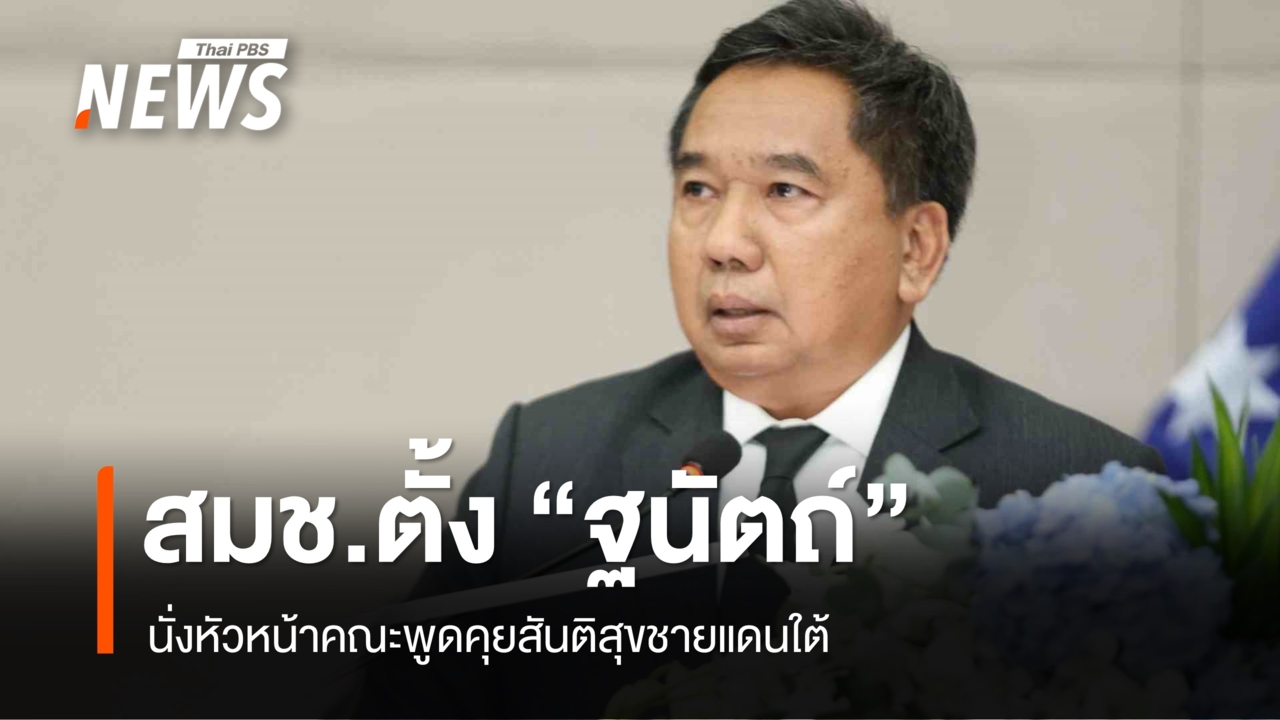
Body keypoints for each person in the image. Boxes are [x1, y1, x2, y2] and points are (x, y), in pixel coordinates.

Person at [353, 0, 1165, 714]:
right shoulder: (546, 462)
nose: (723, 243)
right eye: (698, 191)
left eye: (785, 191)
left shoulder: (1077, 494)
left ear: (917, 248)